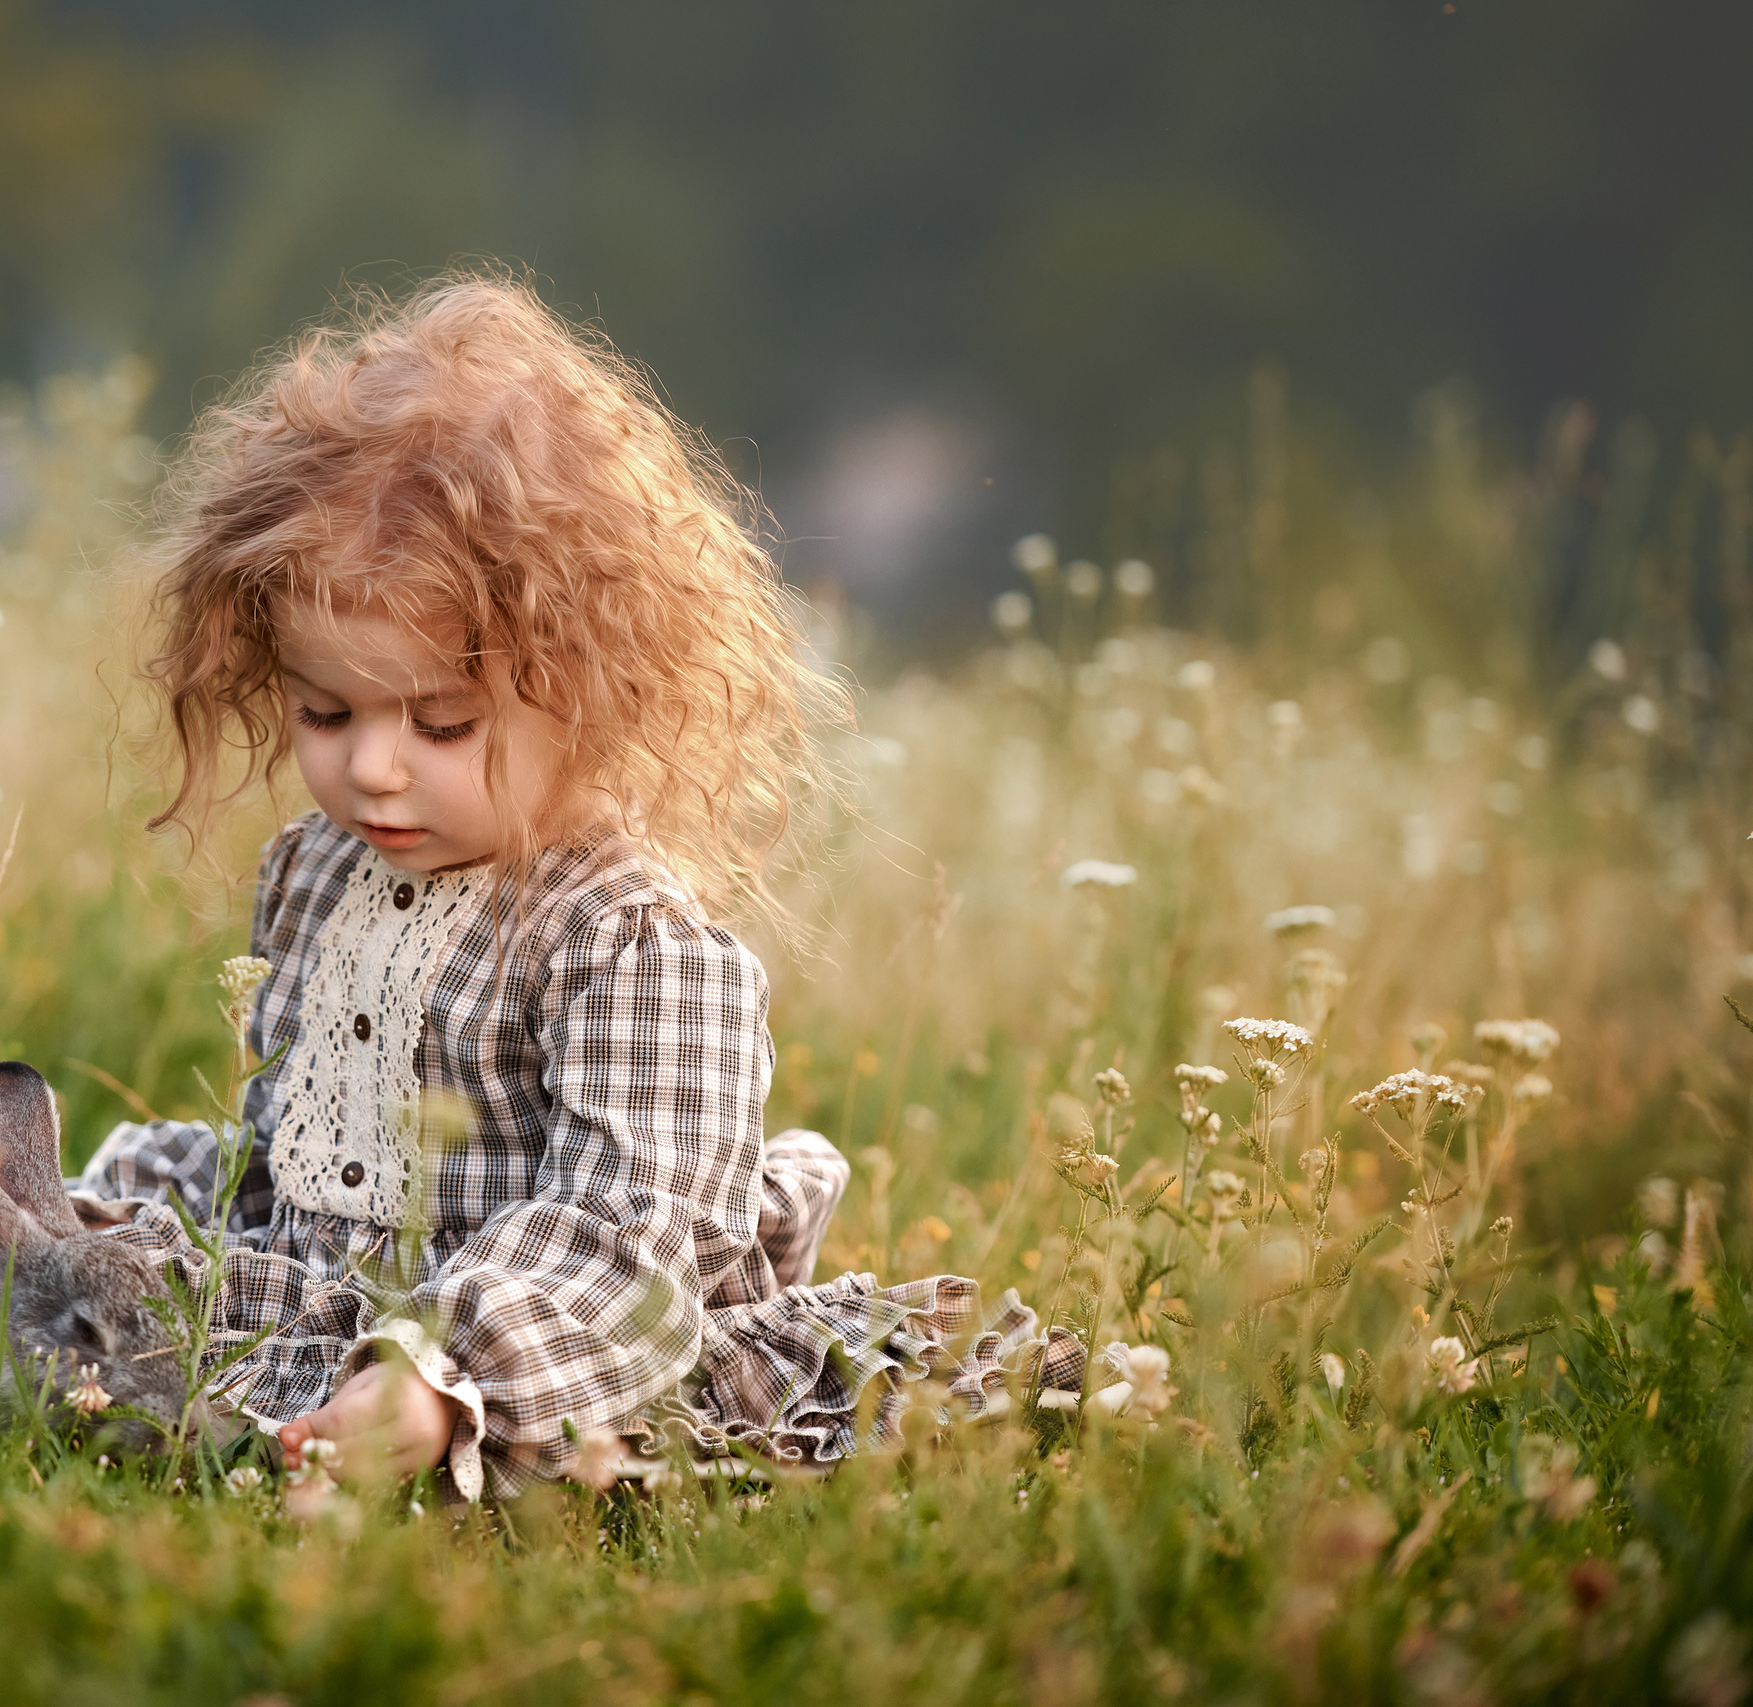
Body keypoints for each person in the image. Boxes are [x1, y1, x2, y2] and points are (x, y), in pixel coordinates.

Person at [75, 271, 1073, 1500]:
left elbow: (622, 1239)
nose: (371, 769)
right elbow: (287, 1161)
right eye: (325, 710)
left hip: (561, 1362)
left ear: (590, 697)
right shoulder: (314, 870)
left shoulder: (629, 944)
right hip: (333, 1319)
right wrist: (105, 1217)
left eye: (441, 724)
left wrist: (443, 1373)